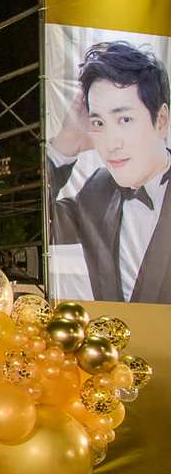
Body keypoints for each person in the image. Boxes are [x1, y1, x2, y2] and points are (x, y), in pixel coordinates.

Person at [48, 41, 171, 302]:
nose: (111, 144)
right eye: (99, 123)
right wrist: (63, 146)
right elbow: (35, 225)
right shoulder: (98, 189)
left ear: (161, 120)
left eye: (125, 119)